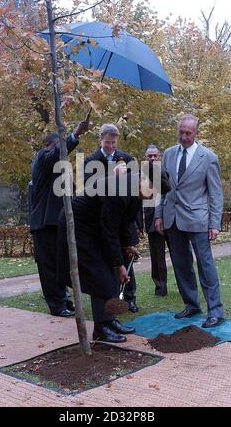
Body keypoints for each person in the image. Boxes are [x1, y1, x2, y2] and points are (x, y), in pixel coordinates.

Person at [57, 164, 169, 343]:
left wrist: (127, 246)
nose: (152, 196)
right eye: (152, 190)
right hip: (79, 225)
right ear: (144, 180)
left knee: (108, 273)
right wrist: (119, 264)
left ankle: (109, 320)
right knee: (100, 273)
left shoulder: (134, 190)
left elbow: (124, 223)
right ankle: (101, 329)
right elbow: (109, 229)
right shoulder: (120, 190)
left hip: (97, 226)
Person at [155, 114, 224, 328]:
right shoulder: (168, 154)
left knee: (205, 265)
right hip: (172, 218)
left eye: (188, 133)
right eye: (181, 132)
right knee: (181, 264)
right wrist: (158, 214)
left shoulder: (208, 157)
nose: (183, 137)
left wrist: (214, 223)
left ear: (196, 133)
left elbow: (216, 193)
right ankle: (192, 304)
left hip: (199, 219)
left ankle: (216, 311)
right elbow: (162, 188)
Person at [30, 120, 89, 317]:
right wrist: (75, 135)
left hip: (56, 221)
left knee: (60, 263)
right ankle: (56, 304)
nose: (60, 153)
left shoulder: (57, 167)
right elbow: (55, 155)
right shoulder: (42, 157)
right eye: (57, 148)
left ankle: (64, 299)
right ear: (48, 146)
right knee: (48, 266)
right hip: (43, 223)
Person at [83, 123, 139, 313]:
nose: (111, 147)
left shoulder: (126, 158)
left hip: (123, 218)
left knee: (126, 259)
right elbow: (90, 188)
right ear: (101, 140)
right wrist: (111, 176)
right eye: (108, 143)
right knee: (109, 260)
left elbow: (136, 188)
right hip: (102, 218)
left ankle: (129, 297)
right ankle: (111, 297)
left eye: (114, 143)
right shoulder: (91, 160)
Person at [144, 145, 169, 297]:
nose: (153, 158)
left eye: (155, 156)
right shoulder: (143, 176)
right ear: (146, 158)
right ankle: (160, 288)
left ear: (160, 157)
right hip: (151, 220)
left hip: (170, 218)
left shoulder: (167, 172)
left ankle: (184, 286)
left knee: (179, 255)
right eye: (150, 156)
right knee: (156, 256)